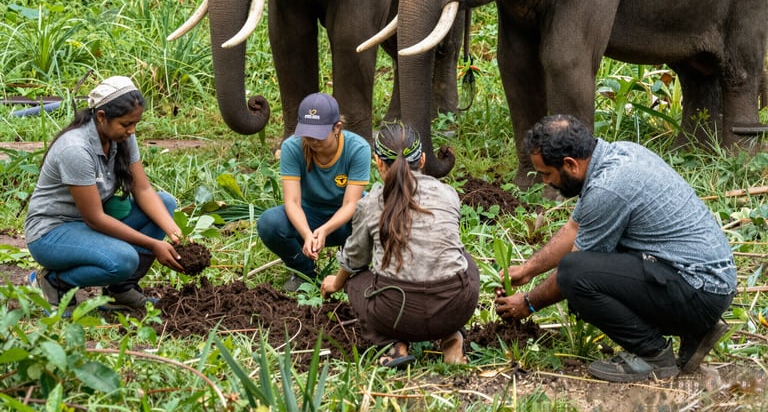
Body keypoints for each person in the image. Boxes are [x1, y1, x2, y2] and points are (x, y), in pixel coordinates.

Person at [494, 114, 736, 383]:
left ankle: (653, 355)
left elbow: (572, 271)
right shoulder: (618, 154)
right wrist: (527, 270)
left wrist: (528, 303)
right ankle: (695, 330)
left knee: (575, 275)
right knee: (588, 267)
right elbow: (574, 229)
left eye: (546, 174)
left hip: (699, 289)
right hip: (706, 283)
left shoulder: (609, 188)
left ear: (570, 164)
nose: (545, 183)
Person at [321, 121, 480, 368]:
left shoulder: (372, 202)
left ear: (378, 162)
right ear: (423, 160)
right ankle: (451, 338)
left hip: (396, 314)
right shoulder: (448, 193)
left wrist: (336, 282)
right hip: (454, 307)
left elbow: (355, 260)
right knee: (466, 261)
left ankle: (393, 345)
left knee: (355, 281)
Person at [24, 75, 185, 311]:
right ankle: (54, 282)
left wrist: (173, 232)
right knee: (124, 259)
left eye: (135, 124)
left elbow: (143, 188)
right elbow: (95, 218)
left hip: (87, 226)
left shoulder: (121, 137)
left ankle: (119, 290)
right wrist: (153, 245)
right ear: (101, 117)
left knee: (165, 204)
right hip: (52, 233)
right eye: (126, 124)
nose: (132, 130)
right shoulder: (76, 149)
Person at [257, 93, 371, 292]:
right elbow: (292, 202)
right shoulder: (292, 147)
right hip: (309, 215)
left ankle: (355, 271)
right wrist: (307, 234)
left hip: (348, 221)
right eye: (307, 134)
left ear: (337, 128)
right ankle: (304, 272)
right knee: (269, 223)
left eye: (318, 135)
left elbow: (350, 204)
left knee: (378, 220)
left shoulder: (358, 148)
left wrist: (325, 230)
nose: (312, 141)